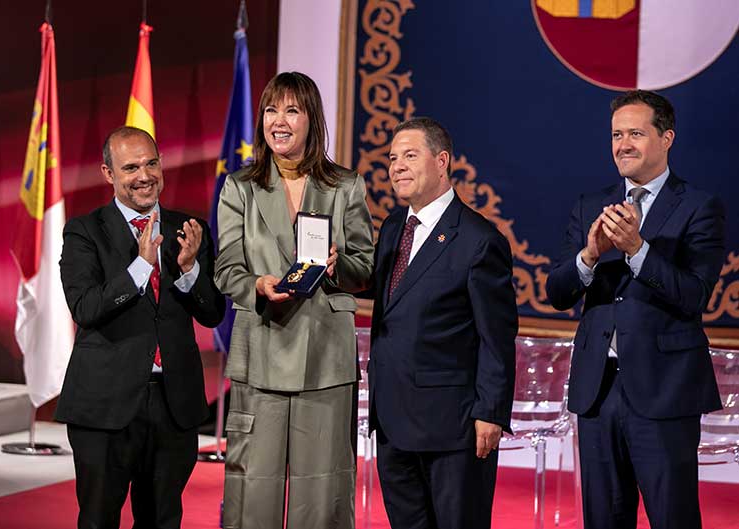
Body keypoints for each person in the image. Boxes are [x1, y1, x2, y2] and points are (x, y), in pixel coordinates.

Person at [546, 90, 725, 529]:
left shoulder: (699, 207)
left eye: (636, 133)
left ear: (666, 138)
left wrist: (638, 251)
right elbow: (557, 293)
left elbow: (694, 294)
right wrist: (588, 257)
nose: (623, 144)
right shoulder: (591, 204)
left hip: (665, 392)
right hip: (598, 391)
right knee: (604, 518)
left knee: (673, 517)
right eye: (616, 134)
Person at [214, 71, 374, 529]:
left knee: (322, 493)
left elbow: (364, 268)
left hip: (325, 357)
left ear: (311, 119)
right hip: (261, 346)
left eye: (291, 110)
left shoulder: (346, 186)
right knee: (253, 493)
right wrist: (257, 287)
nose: (278, 121)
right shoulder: (239, 187)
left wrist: (336, 266)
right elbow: (226, 268)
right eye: (270, 110)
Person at [56, 126, 226, 529]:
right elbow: (85, 308)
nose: (144, 175)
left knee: (162, 520)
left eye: (151, 163)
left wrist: (189, 269)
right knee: (98, 520)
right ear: (108, 173)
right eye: (130, 167)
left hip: (173, 406)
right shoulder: (84, 231)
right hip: (105, 406)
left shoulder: (189, 229)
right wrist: (140, 267)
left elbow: (213, 313)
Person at [368, 117, 517, 529]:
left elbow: (497, 337)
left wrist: (490, 412)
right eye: (392, 158)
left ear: (442, 161)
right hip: (393, 420)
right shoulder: (394, 227)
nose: (396, 166)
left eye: (410, 156)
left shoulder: (478, 240)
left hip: (452, 427)